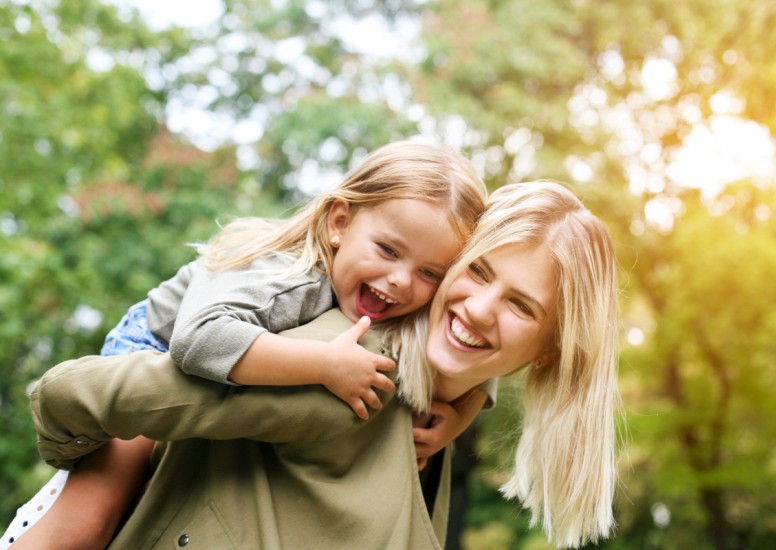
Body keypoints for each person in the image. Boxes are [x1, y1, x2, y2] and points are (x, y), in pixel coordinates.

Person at [22, 181, 621, 549]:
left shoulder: (435, 413)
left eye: (520, 305)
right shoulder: (347, 368)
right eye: (480, 272)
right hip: (167, 337)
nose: (481, 308)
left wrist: (466, 407)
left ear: (549, 350)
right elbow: (78, 392)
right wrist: (81, 452)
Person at [3, 140, 489, 549]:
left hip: (227, 358)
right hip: (157, 342)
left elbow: (478, 349)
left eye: (430, 273)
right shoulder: (284, 277)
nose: (402, 281)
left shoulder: (397, 297)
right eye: (388, 250)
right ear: (339, 223)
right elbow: (198, 341)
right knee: (92, 518)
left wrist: (463, 411)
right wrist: (323, 364)